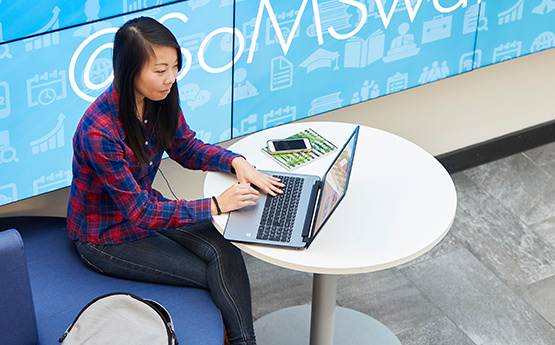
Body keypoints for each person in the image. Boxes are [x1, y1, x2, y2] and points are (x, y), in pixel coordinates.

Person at [67, 16, 283, 345]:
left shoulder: (160, 97)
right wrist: (215, 205)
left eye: (175, 66)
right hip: (104, 238)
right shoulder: (99, 131)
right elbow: (138, 213)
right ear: (129, 70)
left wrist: (235, 161)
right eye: (160, 70)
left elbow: (184, 147)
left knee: (225, 250)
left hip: (145, 208)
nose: (171, 78)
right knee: (211, 275)